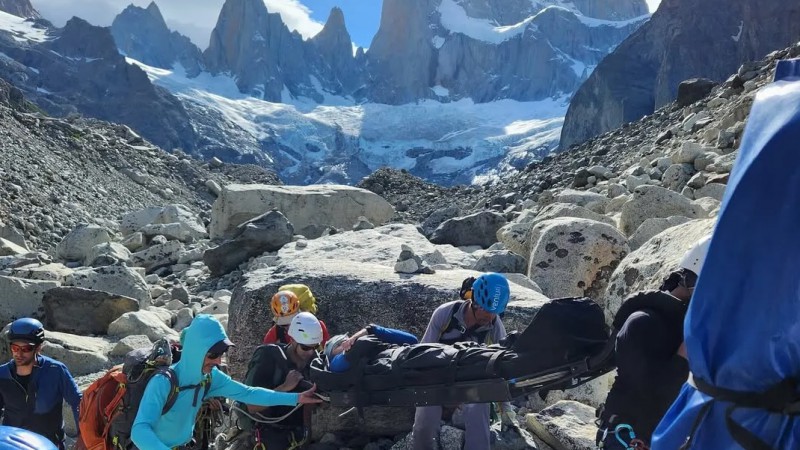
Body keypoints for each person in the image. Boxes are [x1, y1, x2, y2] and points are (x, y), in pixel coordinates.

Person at [131, 314, 321, 450]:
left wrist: (297, 398)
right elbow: (139, 431)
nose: (218, 362)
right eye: (213, 355)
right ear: (196, 351)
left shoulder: (210, 377)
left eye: (221, 354)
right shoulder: (163, 382)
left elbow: (249, 393)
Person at [595, 235, 711, 449]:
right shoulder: (643, 323)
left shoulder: (680, 322)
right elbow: (653, 391)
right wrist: (685, 352)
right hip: (632, 438)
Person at [412, 273, 510, 450]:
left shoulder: (495, 325)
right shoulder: (445, 314)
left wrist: (506, 409)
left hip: (470, 385)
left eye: (494, 312)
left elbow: (503, 367)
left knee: (480, 403)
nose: (489, 316)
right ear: (474, 302)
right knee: (426, 415)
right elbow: (423, 354)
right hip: (437, 381)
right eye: (485, 310)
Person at [232, 312, 326, 450]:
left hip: (295, 430)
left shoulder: (313, 362)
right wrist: (285, 387)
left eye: (315, 347)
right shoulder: (268, 358)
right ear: (292, 340)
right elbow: (252, 406)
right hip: (264, 428)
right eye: (305, 347)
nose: (311, 352)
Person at [0, 318, 81, 450]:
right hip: (13, 445)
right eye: (15, 347)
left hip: (49, 444)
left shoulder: (56, 370)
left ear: (38, 348)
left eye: (26, 348)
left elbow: (78, 402)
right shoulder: (2, 374)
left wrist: (82, 436)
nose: (19, 353)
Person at [324, 325, 419, 373]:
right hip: (407, 363)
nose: (346, 343)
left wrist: (369, 330)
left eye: (347, 340)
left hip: (408, 355)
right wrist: (362, 336)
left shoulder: (366, 343)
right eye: (339, 344)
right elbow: (361, 345)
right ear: (331, 356)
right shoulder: (334, 365)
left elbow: (412, 340)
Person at [263, 290, 330, 348]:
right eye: (284, 325)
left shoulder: (318, 326)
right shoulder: (275, 332)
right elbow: (264, 354)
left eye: (292, 322)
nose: (289, 327)